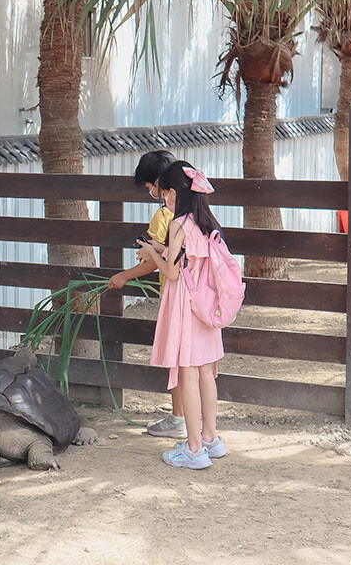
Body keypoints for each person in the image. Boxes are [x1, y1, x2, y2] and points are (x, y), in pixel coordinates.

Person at [137, 160, 227, 469]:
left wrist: (152, 253)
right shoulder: (207, 222)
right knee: (205, 372)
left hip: (186, 305)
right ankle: (211, 439)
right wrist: (162, 249)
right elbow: (193, 260)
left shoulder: (178, 225)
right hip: (207, 306)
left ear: (174, 193)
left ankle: (193, 449)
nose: (163, 199)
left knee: (187, 373)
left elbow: (172, 273)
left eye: (164, 194)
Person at [107, 150, 187, 440]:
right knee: (190, 359)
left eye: (149, 188)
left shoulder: (165, 214)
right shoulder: (192, 209)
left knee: (176, 358)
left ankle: (180, 418)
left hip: (174, 296)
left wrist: (123, 276)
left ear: (158, 183)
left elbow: (153, 260)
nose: (151, 193)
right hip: (193, 296)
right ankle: (190, 418)